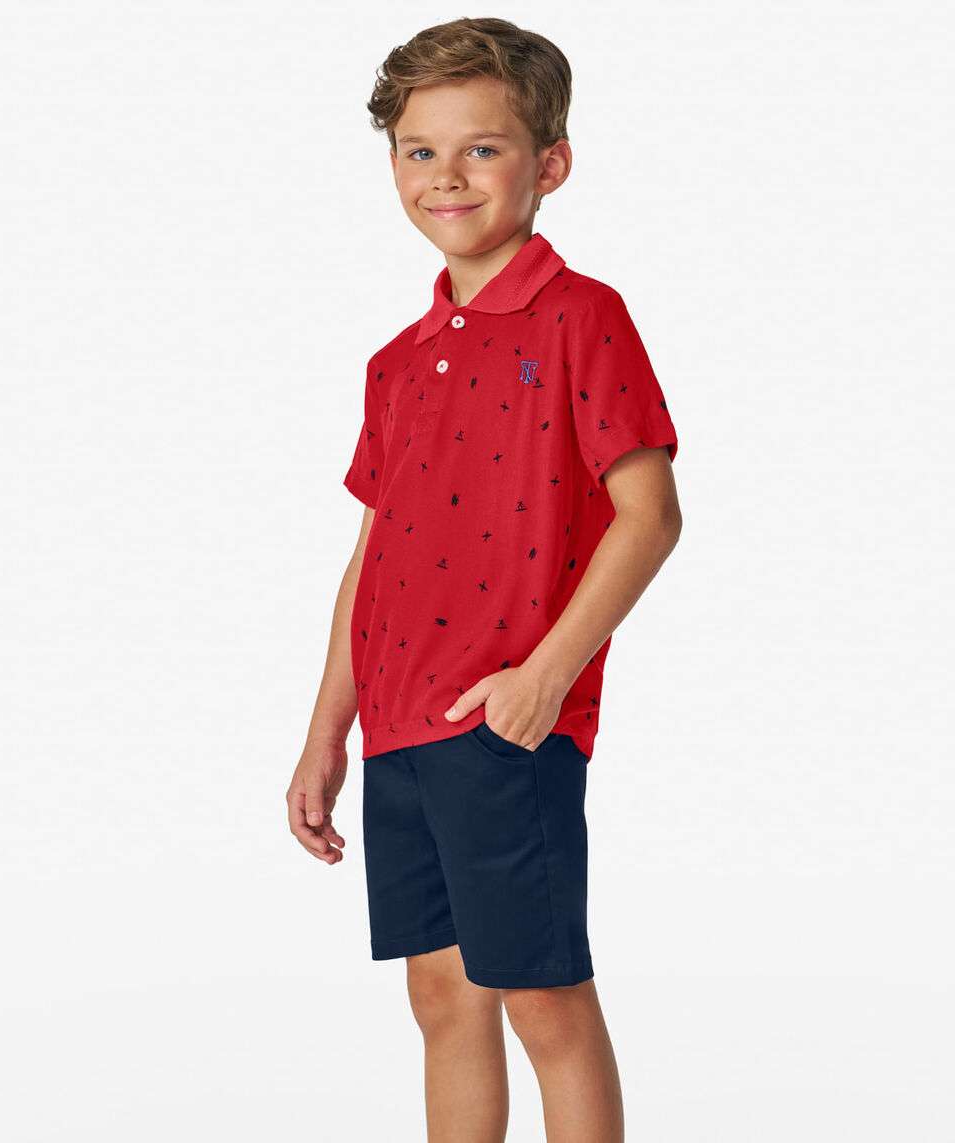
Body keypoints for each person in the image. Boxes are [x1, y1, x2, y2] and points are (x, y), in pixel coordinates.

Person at [287, 17, 682, 1141]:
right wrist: (326, 732)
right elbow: (372, 556)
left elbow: (650, 516)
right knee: (441, 995)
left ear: (550, 164)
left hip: (503, 717)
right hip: (398, 723)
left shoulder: (581, 316)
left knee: (542, 996)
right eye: (420, 150)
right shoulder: (397, 363)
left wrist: (542, 680)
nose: (446, 176)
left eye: (482, 148)